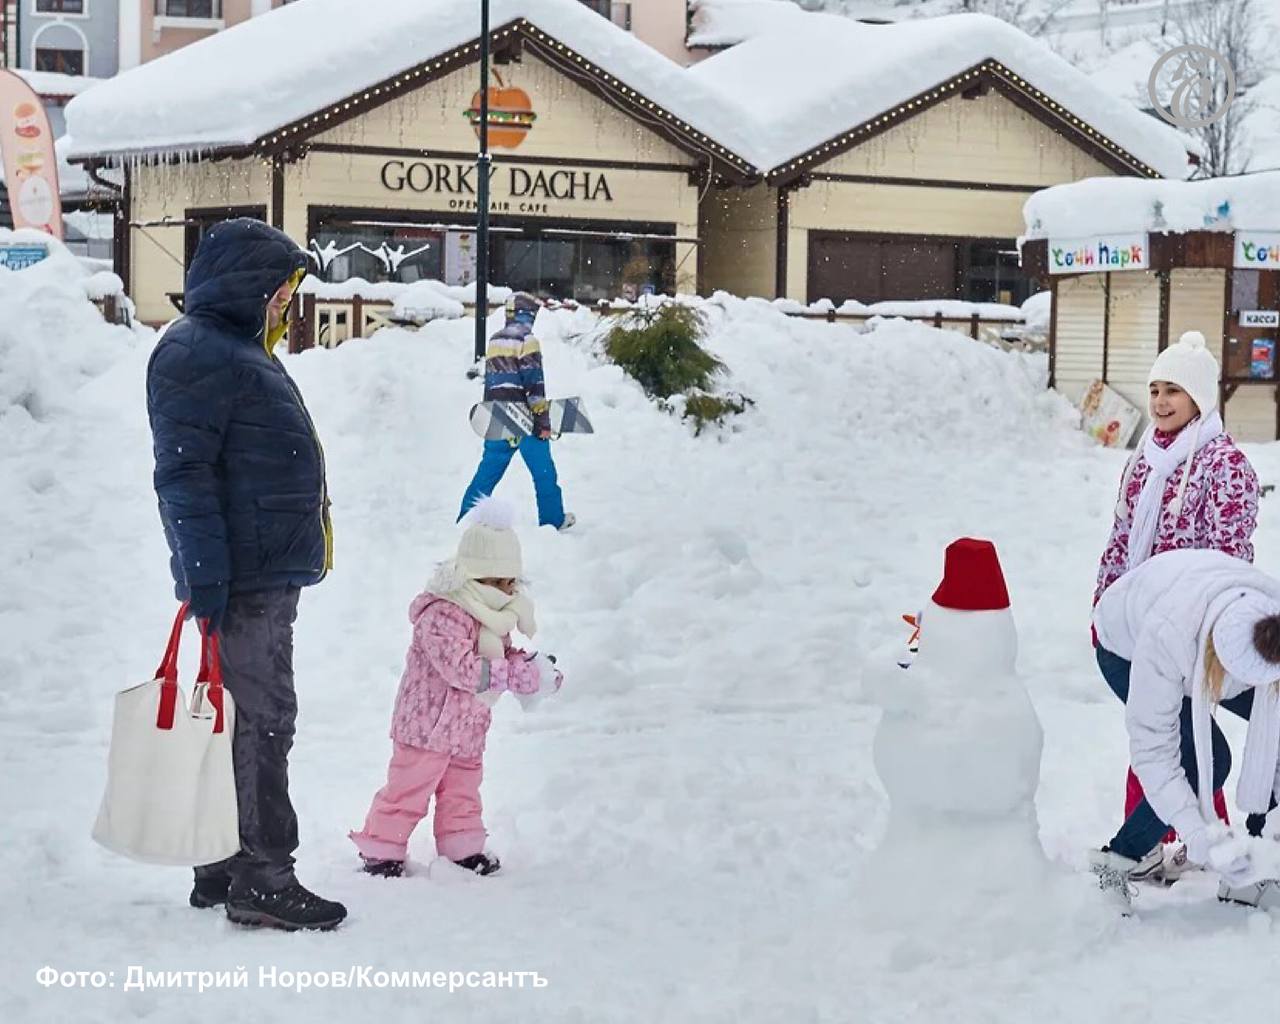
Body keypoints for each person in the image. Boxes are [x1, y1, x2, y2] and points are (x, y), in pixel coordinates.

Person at [146, 217, 345, 932]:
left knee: (236, 719)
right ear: (248, 285)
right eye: (281, 288)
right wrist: (204, 571)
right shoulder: (198, 352)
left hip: (257, 567)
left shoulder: (230, 349)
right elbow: (184, 474)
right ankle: (263, 876)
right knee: (262, 721)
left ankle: (220, 864)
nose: (288, 300)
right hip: (244, 576)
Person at [1093, 330, 1260, 879]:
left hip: (1199, 635)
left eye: (1174, 391)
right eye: (1155, 389)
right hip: (1137, 631)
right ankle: (1144, 849)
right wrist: (1102, 607)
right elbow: (1119, 540)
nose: (1161, 402)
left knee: (1208, 743)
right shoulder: (1144, 460)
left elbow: (1228, 561)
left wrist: (1204, 632)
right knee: (1174, 744)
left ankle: (1248, 846)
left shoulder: (1225, 465)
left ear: (1200, 398)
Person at [349, 497, 563, 877]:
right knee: (408, 790)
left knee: (463, 792)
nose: (506, 591)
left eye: (511, 582)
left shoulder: (493, 615)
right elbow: (461, 669)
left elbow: (502, 656)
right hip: (427, 728)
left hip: (467, 727)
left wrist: (533, 671)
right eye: (496, 582)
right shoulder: (442, 613)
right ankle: (382, 849)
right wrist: (512, 675)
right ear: (472, 576)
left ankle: (462, 847)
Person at [1091, 548, 1280, 911]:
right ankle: (1113, 864)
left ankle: (1256, 871)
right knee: (1206, 761)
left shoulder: (1272, 618)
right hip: (1125, 648)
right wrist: (1198, 833)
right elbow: (1154, 754)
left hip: (1201, 625)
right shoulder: (1168, 637)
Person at [458, 292, 575, 530]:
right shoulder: (527, 341)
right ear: (528, 314)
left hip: (498, 416)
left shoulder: (494, 340)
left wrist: (491, 414)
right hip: (525, 419)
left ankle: (466, 519)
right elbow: (534, 385)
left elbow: (492, 383)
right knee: (544, 473)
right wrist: (542, 421)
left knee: (487, 474)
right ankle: (553, 520)